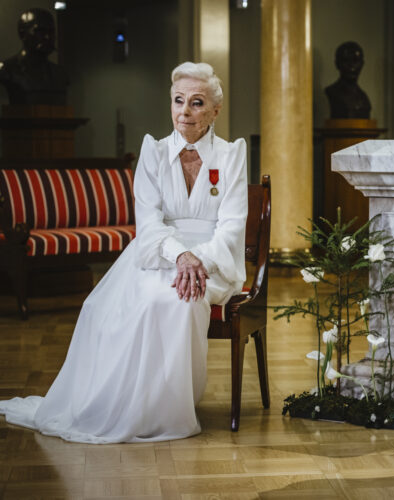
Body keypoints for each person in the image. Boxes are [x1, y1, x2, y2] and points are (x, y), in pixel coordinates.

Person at [0, 62, 248, 443]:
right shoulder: (154, 151)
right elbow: (148, 223)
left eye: (196, 103)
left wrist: (199, 259)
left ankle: (167, 412)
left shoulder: (231, 156)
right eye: (178, 101)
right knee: (112, 306)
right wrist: (180, 256)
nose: (184, 111)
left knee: (178, 302)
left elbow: (232, 225)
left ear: (215, 110)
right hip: (158, 253)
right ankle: (129, 407)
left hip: (213, 261)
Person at [0, 8, 69, 105]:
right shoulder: (6, 69)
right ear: (23, 34)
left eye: (51, 32)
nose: (47, 37)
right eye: (40, 31)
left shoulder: (60, 74)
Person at [325, 41, 372, 119]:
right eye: (346, 60)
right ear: (337, 64)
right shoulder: (331, 93)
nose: (352, 67)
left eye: (355, 61)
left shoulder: (363, 98)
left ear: (362, 64)